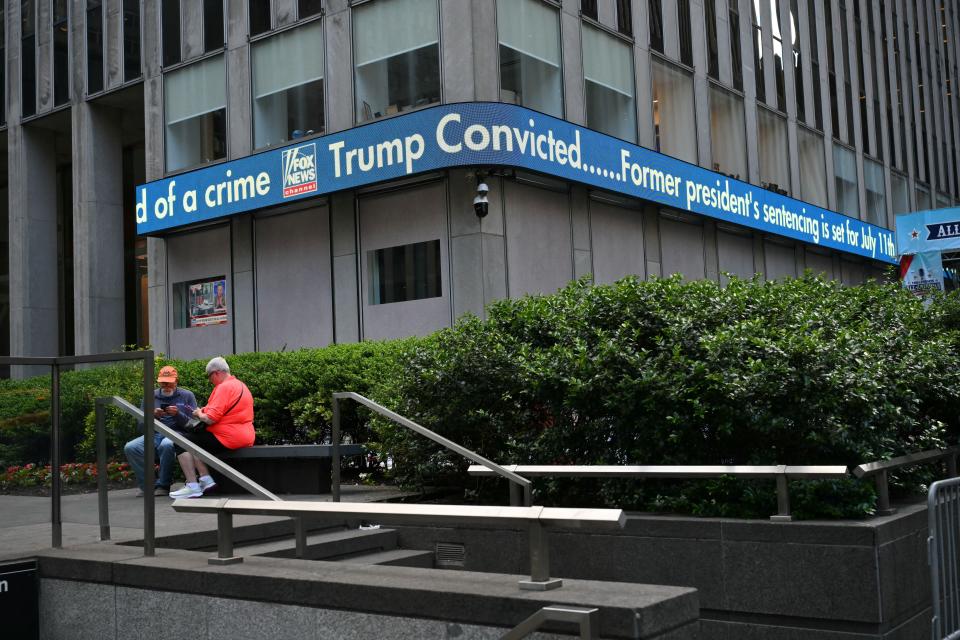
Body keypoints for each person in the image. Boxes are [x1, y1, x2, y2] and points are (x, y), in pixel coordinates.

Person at [169, 356, 255, 499]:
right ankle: (205, 479)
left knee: (181, 440)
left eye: (209, 377)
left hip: (227, 437)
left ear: (216, 373)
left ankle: (193, 485)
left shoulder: (223, 387)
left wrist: (198, 413)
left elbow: (210, 418)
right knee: (195, 440)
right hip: (244, 435)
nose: (210, 381)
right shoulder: (241, 385)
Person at [123, 366, 197, 496]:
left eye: (169, 382)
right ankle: (148, 486)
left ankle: (164, 485)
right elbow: (140, 426)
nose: (166, 385)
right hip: (154, 434)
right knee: (130, 447)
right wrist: (152, 415)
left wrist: (178, 414)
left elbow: (193, 425)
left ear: (176, 381)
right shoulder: (150, 396)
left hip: (177, 434)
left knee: (167, 445)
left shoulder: (187, 396)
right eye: (163, 382)